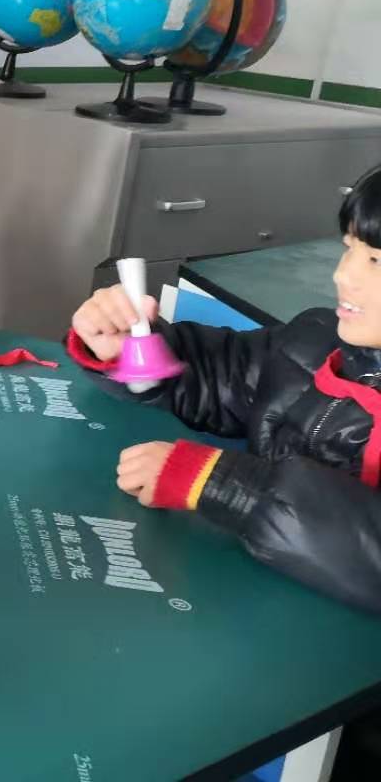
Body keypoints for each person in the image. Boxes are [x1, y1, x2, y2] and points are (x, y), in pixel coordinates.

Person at [68, 164, 381, 614]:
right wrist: (131, 350)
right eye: (349, 248)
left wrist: (222, 484)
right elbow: (222, 376)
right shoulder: (318, 341)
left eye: (375, 261)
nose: (343, 275)